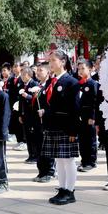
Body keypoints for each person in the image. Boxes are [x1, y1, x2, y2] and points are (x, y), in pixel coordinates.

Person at [39, 50, 80, 205]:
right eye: (49, 61)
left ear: (62, 62)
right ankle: (62, 188)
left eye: (53, 60)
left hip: (65, 126)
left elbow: (75, 109)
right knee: (58, 159)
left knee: (68, 160)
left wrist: (73, 130)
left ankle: (70, 191)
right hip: (52, 124)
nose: (51, 63)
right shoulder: (51, 81)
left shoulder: (71, 82)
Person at [32, 62, 56, 182]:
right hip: (37, 122)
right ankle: (41, 171)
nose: (38, 72)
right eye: (37, 70)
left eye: (41, 70)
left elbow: (53, 104)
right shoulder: (38, 85)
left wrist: (45, 111)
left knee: (48, 148)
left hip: (47, 121)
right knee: (39, 147)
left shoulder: (51, 85)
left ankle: (50, 171)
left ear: (48, 72)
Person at [77, 58, 99, 172]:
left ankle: (91, 161)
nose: (80, 71)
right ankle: (84, 160)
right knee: (82, 140)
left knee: (90, 140)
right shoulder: (78, 84)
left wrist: (93, 117)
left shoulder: (92, 84)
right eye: (79, 69)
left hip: (89, 117)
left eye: (83, 68)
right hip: (80, 117)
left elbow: (95, 102)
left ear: (90, 69)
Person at [18, 67, 40, 164]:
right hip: (25, 114)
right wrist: (20, 114)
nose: (22, 77)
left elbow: (37, 99)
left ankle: (35, 155)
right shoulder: (23, 85)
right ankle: (30, 155)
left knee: (33, 135)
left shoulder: (34, 84)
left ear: (29, 75)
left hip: (33, 115)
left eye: (24, 74)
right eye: (21, 75)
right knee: (27, 135)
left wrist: (28, 96)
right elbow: (20, 102)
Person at [9, 62, 26, 151]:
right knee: (15, 123)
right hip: (12, 105)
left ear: (21, 67)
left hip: (20, 104)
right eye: (13, 67)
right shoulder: (11, 79)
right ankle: (19, 140)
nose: (15, 68)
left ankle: (23, 141)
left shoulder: (22, 78)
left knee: (20, 123)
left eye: (16, 66)